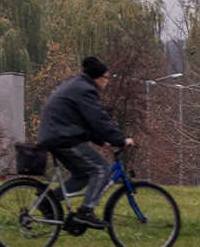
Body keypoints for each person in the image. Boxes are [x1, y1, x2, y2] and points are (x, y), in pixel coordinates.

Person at [37, 56, 134, 230]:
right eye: (106, 78)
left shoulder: (78, 85)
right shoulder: (85, 90)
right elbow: (98, 119)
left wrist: (101, 140)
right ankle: (85, 212)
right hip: (63, 137)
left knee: (82, 176)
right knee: (101, 168)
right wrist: (119, 140)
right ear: (97, 78)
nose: (106, 82)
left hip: (55, 135)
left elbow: (82, 120)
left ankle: (47, 201)